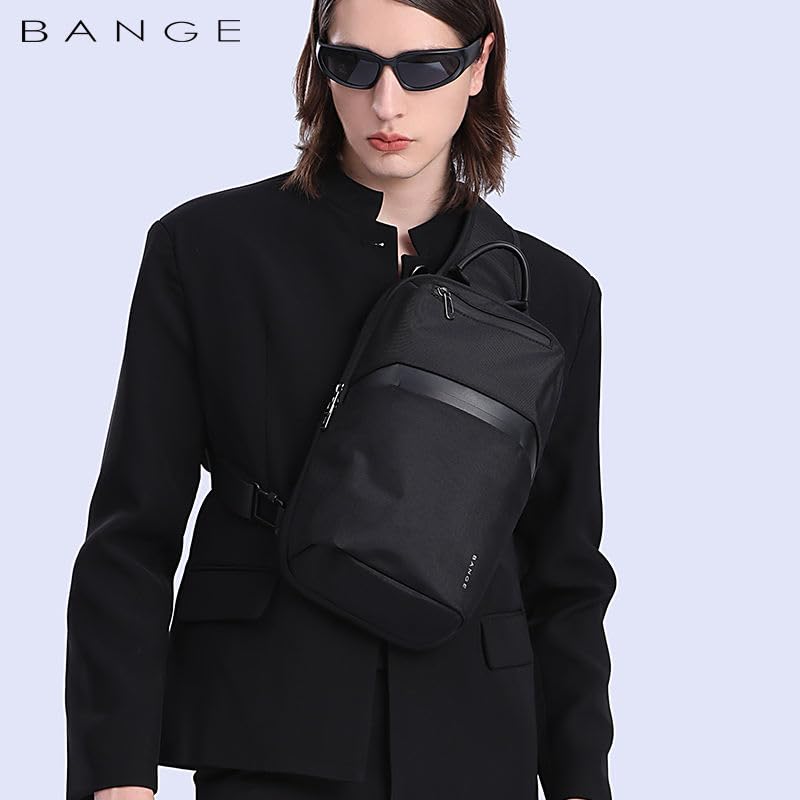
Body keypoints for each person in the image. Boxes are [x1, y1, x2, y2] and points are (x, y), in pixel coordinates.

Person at [64, 1, 617, 799]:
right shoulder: (208, 249)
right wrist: (114, 772)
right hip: (267, 719)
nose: (385, 104)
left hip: (476, 731)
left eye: (424, 67)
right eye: (352, 65)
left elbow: (565, 568)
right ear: (319, 64)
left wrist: (579, 780)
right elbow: (133, 529)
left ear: (479, 65)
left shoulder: (556, 292)